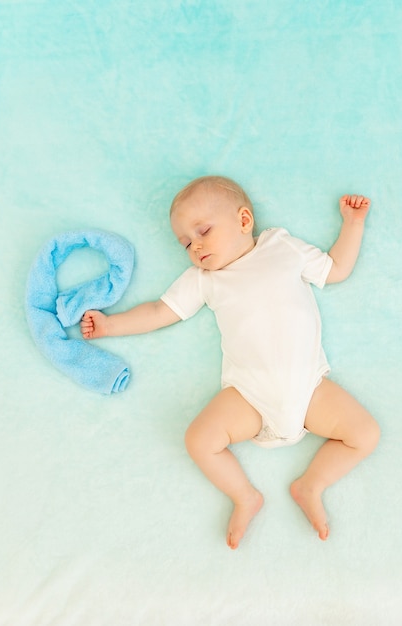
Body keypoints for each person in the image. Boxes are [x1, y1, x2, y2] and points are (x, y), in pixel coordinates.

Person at [80, 176, 380, 550]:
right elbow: (160, 311)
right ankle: (244, 496)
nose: (196, 246)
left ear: (244, 220)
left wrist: (353, 225)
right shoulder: (205, 279)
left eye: (203, 230)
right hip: (249, 397)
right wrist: (111, 325)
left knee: (365, 434)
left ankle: (312, 484)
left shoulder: (280, 246)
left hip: (309, 389)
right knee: (199, 440)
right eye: (186, 242)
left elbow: (335, 269)